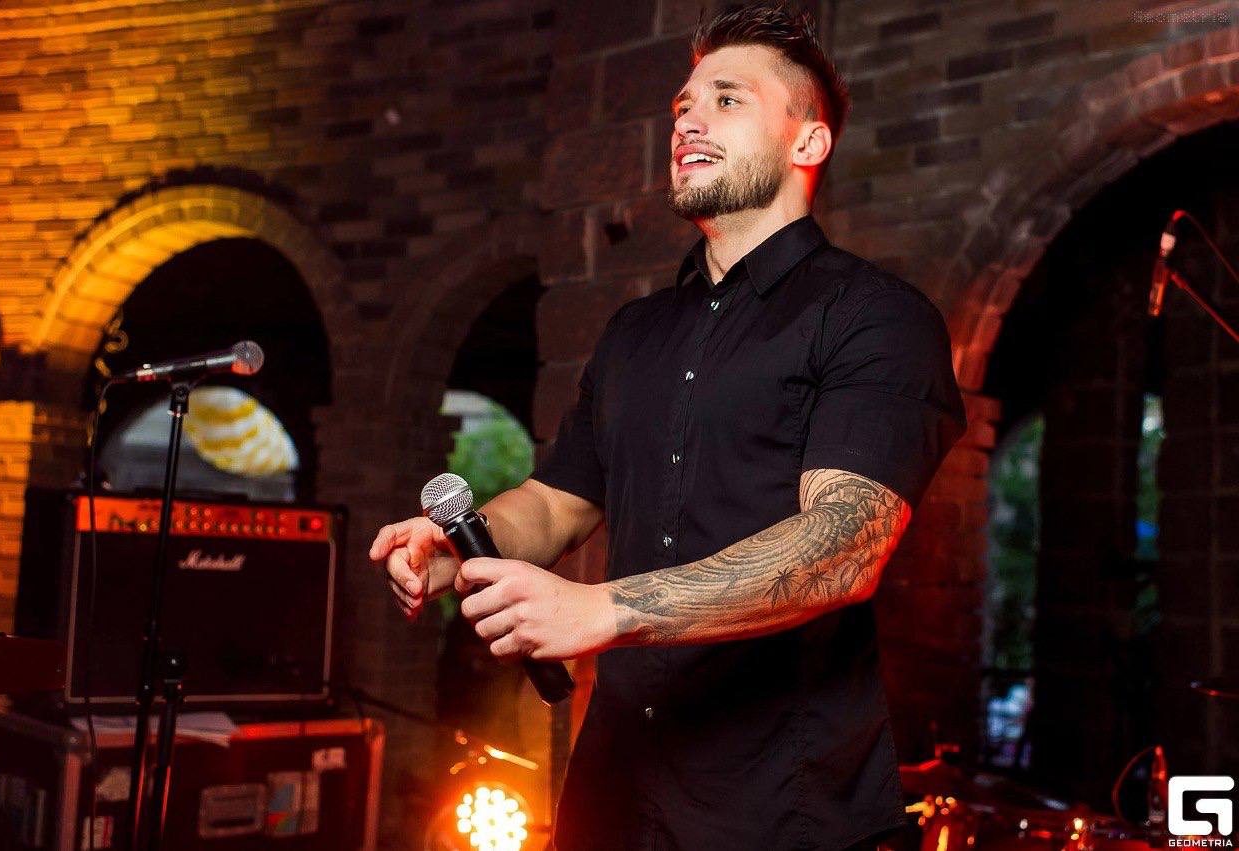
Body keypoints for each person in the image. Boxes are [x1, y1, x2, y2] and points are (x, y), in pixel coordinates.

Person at [370, 5, 967, 849]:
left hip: (778, 815)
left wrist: (606, 609)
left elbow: (844, 543)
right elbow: (555, 502)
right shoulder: (634, 333)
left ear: (808, 142)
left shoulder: (874, 316)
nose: (687, 120)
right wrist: (458, 545)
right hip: (610, 803)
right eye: (683, 106)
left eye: (728, 99)